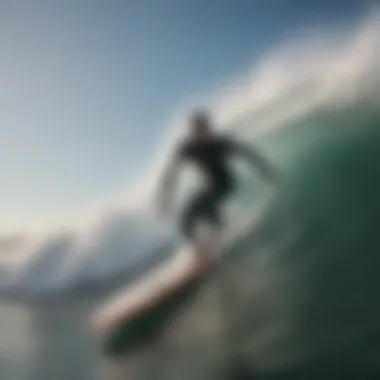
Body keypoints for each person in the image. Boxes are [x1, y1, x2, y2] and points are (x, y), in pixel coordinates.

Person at [156, 110, 278, 272]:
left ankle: (216, 241)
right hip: (208, 187)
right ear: (193, 131)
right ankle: (201, 253)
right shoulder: (188, 147)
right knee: (185, 219)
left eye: (205, 129)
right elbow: (171, 173)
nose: (202, 133)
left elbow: (248, 153)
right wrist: (165, 198)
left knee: (207, 207)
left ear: (209, 128)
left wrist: (265, 170)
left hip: (226, 184)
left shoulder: (221, 143)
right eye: (197, 130)